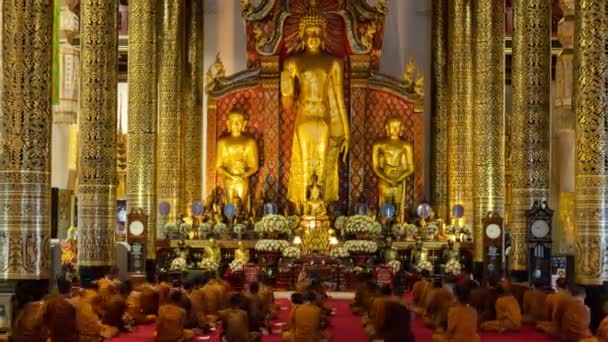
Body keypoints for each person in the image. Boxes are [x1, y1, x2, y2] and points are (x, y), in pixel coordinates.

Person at [44, 277, 79, 342]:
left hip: (55, 338)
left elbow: (46, 320)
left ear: (58, 289)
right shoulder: (74, 303)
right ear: (70, 289)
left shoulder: (50, 303)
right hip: (71, 338)